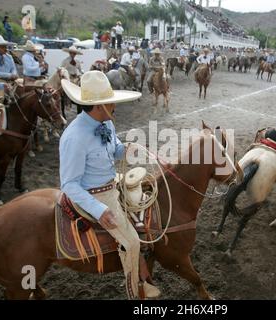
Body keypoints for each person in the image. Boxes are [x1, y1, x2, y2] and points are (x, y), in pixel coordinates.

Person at [59, 70, 161, 299]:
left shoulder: (106, 123)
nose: (115, 106)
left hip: (112, 182)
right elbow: (69, 184)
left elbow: (114, 150)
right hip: (95, 196)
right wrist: (99, 209)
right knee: (132, 242)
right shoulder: (74, 137)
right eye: (111, 103)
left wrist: (128, 149)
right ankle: (136, 293)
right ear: (100, 106)